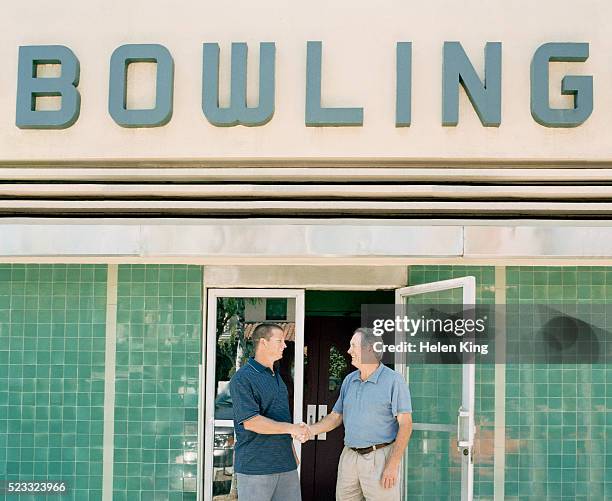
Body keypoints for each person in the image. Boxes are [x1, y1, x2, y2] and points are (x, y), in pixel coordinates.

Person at [306, 327, 413, 500]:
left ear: (369, 348)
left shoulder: (394, 381)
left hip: (380, 458)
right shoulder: (350, 380)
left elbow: (406, 424)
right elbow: (336, 416)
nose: (349, 351)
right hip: (349, 456)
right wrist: (310, 431)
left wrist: (392, 464)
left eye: (353, 346)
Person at [229, 322, 309, 501]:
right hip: (256, 468)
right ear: (263, 343)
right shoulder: (242, 378)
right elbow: (251, 422)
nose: (285, 345)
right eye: (279, 341)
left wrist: (292, 453)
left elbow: (280, 416)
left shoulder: (277, 375)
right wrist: (292, 428)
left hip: (285, 465)